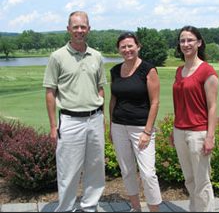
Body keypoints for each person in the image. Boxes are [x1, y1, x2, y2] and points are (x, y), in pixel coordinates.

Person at [43, 11, 107, 212]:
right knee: (68, 171)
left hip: (95, 118)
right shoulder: (57, 56)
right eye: (75, 27)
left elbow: (100, 87)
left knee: (96, 169)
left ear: (89, 28)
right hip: (70, 121)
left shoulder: (96, 56)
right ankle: (66, 209)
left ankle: (89, 206)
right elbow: (50, 92)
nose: (79, 30)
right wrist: (54, 126)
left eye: (83, 26)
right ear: (68, 29)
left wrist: (102, 115)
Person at [109, 32, 162, 212]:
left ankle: (154, 210)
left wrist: (147, 132)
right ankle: (136, 208)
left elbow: (155, 102)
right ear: (119, 49)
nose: (127, 49)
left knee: (148, 173)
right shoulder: (115, 71)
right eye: (123, 47)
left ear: (138, 47)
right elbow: (113, 99)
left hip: (141, 127)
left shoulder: (148, 69)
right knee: (127, 170)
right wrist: (111, 126)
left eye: (130, 46)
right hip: (118, 126)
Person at [170, 25, 219, 212]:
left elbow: (212, 106)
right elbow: (179, 104)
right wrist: (175, 130)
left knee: (202, 182)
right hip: (180, 131)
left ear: (199, 43)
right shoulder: (179, 70)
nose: (186, 44)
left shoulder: (207, 71)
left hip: (198, 133)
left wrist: (210, 137)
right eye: (182, 40)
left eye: (190, 40)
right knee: (189, 180)